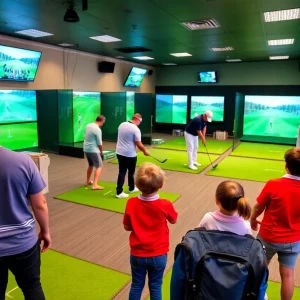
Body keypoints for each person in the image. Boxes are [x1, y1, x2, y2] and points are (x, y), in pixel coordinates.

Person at [0, 146, 51, 300]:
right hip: (23, 243)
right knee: (32, 286)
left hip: (22, 244)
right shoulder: (22, 161)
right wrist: (45, 231)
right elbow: (40, 204)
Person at [250, 147, 300, 300]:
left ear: (286, 166)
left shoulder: (274, 184)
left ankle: (256, 296)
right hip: (293, 240)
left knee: (259, 269)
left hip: (268, 237)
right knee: (288, 275)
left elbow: (259, 207)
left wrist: (252, 218)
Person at [123, 162, 178, 300]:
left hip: (137, 254)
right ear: (161, 185)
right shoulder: (165, 204)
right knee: (155, 286)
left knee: (136, 285)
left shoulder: (131, 203)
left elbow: (127, 227)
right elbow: (174, 220)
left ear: (137, 184)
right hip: (158, 255)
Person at [116, 113, 150, 198]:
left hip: (119, 152)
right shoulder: (135, 129)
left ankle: (126, 189)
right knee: (130, 172)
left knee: (122, 171)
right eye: (140, 122)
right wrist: (145, 151)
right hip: (130, 154)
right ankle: (122, 191)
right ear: (138, 120)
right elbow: (138, 143)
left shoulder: (122, 124)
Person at [83, 115, 106, 190]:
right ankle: (95, 185)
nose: (103, 124)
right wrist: (101, 151)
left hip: (86, 149)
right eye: (103, 122)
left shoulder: (88, 125)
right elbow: (100, 143)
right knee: (99, 166)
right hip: (93, 150)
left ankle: (88, 181)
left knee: (90, 165)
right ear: (102, 121)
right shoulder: (97, 129)